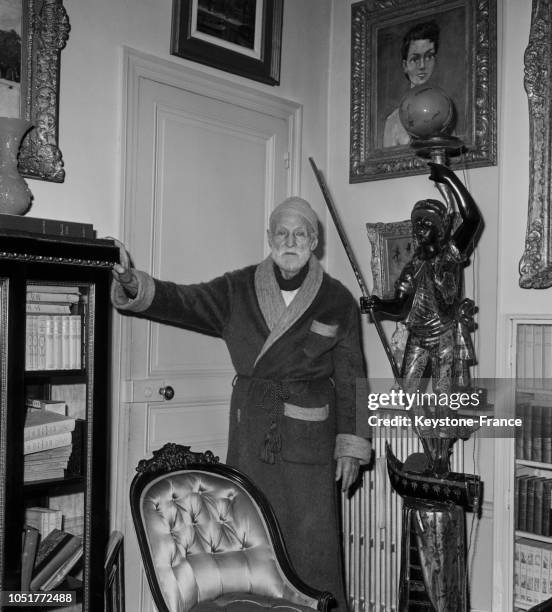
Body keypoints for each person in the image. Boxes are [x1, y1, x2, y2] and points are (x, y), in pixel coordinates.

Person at [111, 196, 371, 610]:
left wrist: (352, 445)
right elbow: (185, 300)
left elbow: (354, 377)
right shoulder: (238, 288)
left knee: (310, 545)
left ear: (315, 241)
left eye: (300, 233)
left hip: (311, 443)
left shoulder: (337, 299)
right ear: (269, 237)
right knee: (250, 540)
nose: (290, 241)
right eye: (282, 233)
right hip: (252, 432)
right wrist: (134, 285)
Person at [360, 162, 482, 473]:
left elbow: (472, 218)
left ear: (441, 230)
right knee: (407, 392)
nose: (419, 230)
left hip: (444, 337)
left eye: (426, 225)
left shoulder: (451, 254)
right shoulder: (413, 265)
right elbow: (398, 304)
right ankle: (429, 448)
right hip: (418, 336)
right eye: (416, 225)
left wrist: (450, 178)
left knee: (444, 403)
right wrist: (377, 304)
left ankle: (440, 459)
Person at [383, 21, 439, 148]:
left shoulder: (446, 114)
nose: (422, 66)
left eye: (429, 56)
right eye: (415, 59)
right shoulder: (393, 121)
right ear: (405, 66)